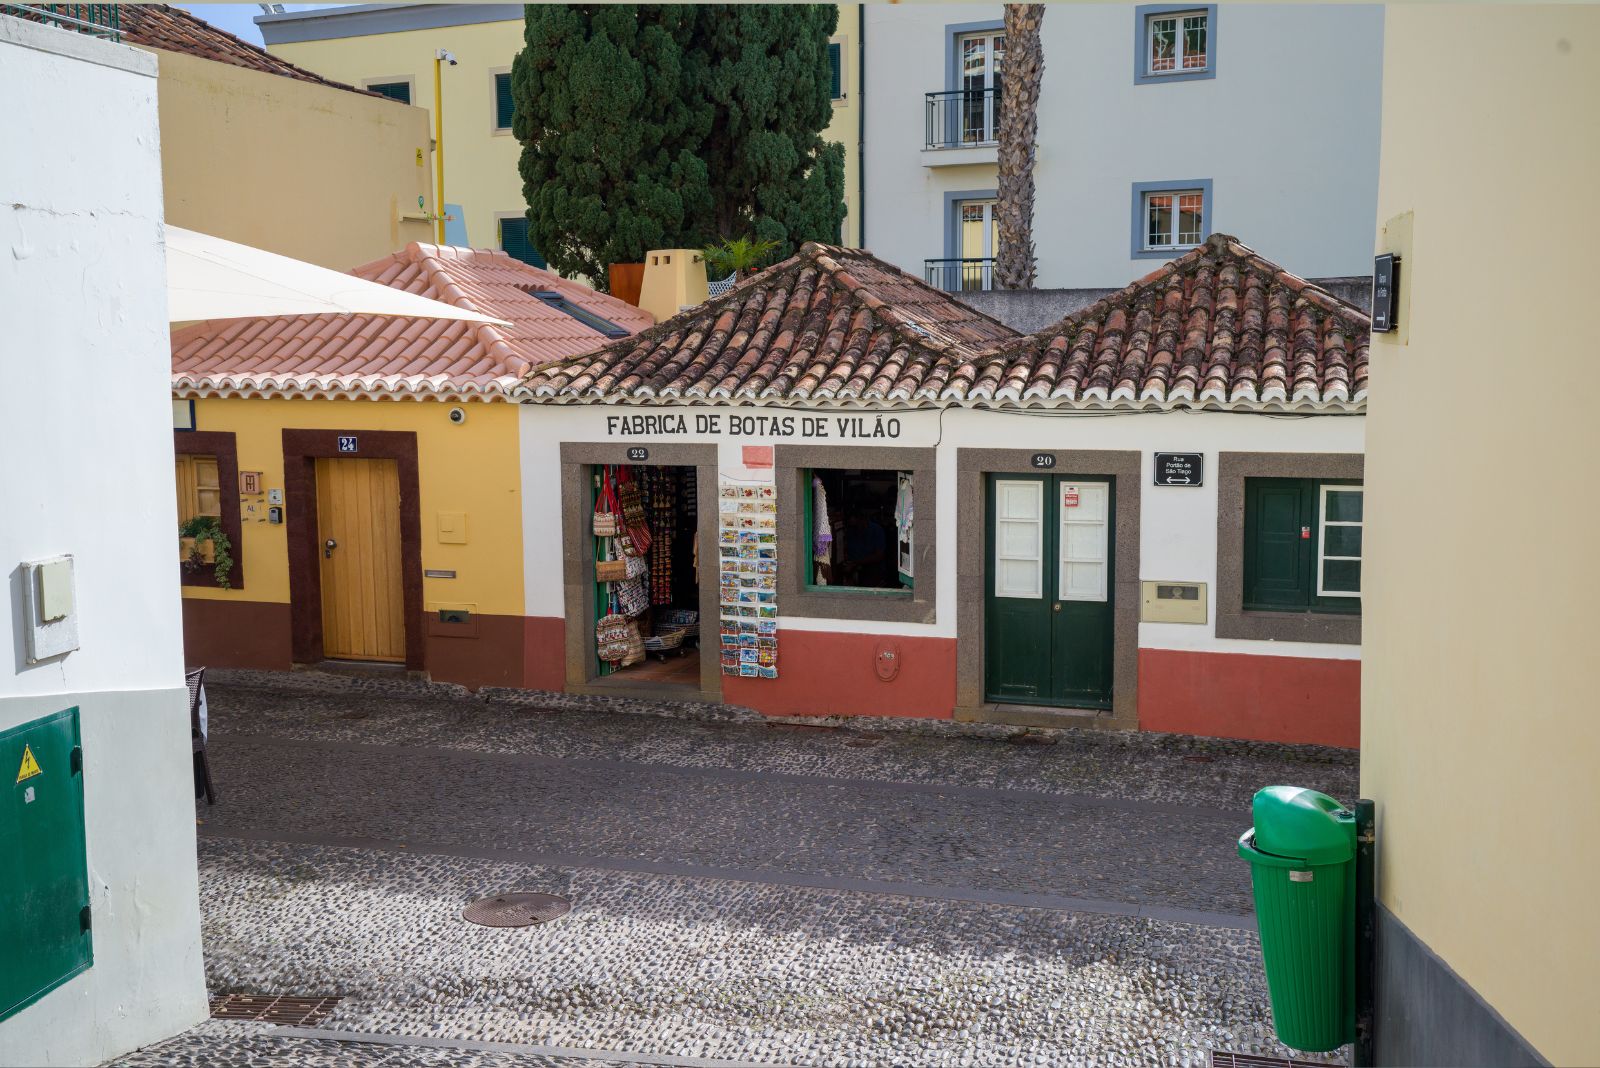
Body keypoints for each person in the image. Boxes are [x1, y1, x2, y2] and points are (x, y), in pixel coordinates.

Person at [839, 509, 888, 588]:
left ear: (863, 519)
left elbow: (879, 555)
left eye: (857, 524)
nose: (855, 527)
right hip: (854, 568)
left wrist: (856, 563)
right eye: (852, 525)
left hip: (873, 569)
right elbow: (846, 549)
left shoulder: (876, 530)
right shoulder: (851, 530)